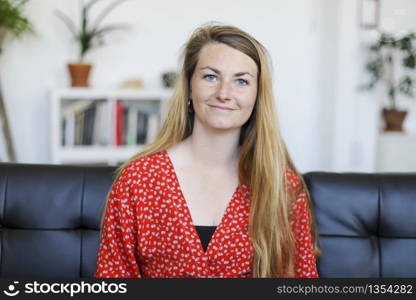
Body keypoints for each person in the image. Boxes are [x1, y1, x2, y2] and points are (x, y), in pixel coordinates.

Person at [94, 23, 321, 278]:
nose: (224, 93)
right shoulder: (137, 180)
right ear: (190, 87)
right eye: (210, 77)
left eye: (241, 81)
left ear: (257, 96)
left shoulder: (283, 186)